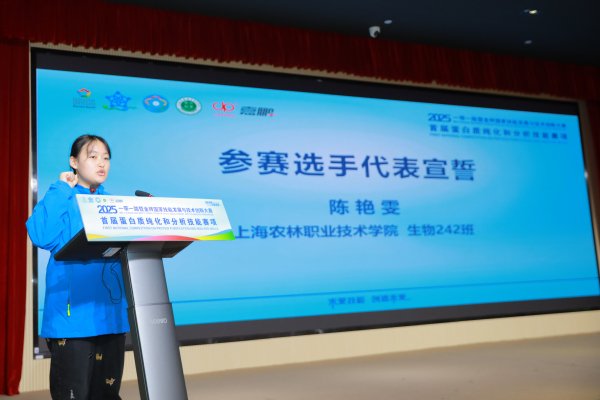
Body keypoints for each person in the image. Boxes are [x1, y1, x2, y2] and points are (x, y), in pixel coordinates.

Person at [26, 135, 129, 400]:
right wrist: (62, 188)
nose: (101, 163)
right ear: (73, 162)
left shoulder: (115, 205)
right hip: (72, 318)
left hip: (110, 315)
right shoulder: (62, 197)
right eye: (93, 157)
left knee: (107, 394)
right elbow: (42, 236)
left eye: (106, 158)